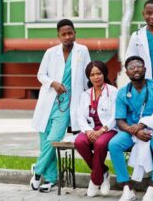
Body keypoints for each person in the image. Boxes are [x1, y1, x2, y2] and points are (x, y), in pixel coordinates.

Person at [30, 19, 91, 193]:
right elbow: (41, 74)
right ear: (58, 35)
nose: (67, 37)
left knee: (53, 138)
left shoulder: (82, 50)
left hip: (68, 103)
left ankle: (37, 170)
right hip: (47, 101)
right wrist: (53, 83)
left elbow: (87, 76)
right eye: (63, 34)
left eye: (70, 33)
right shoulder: (51, 52)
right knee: (44, 140)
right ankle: (49, 180)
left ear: (74, 33)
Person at [109, 56, 153, 201]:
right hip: (132, 131)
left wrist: (142, 125)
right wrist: (135, 130)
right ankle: (127, 187)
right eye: (131, 67)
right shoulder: (123, 92)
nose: (135, 69)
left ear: (145, 69)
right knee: (114, 144)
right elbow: (120, 120)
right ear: (127, 73)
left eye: (139, 65)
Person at [74, 61, 118, 197]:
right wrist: (88, 130)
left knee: (100, 143)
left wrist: (101, 131)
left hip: (109, 128)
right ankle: (103, 171)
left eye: (99, 73)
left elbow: (116, 116)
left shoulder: (113, 92)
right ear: (89, 77)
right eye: (92, 75)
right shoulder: (85, 94)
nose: (96, 77)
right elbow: (80, 116)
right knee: (79, 142)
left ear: (104, 74)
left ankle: (95, 180)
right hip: (91, 129)